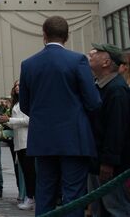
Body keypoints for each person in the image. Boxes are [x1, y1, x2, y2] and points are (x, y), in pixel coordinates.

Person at [19, 16, 101, 217]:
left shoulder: (28, 64)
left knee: (45, 192)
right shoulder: (78, 60)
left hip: (43, 138)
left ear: (44, 35)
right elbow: (93, 101)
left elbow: (25, 105)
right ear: (67, 36)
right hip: (74, 137)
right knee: (73, 195)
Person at [87, 43, 130, 216]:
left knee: (115, 208)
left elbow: (116, 130)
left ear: (106, 62)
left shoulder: (117, 90)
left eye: (96, 53)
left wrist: (108, 161)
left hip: (110, 166)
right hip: (98, 161)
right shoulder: (101, 86)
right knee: (100, 209)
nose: (91, 54)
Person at [0, 79, 36, 210]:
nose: (17, 87)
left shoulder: (28, 101)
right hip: (18, 142)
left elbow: (29, 120)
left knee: (31, 172)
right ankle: (30, 197)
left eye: (20, 84)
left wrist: (10, 119)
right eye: (15, 85)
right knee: (26, 172)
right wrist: (6, 121)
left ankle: (32, 198)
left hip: (27, 141)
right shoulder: (16, 103)